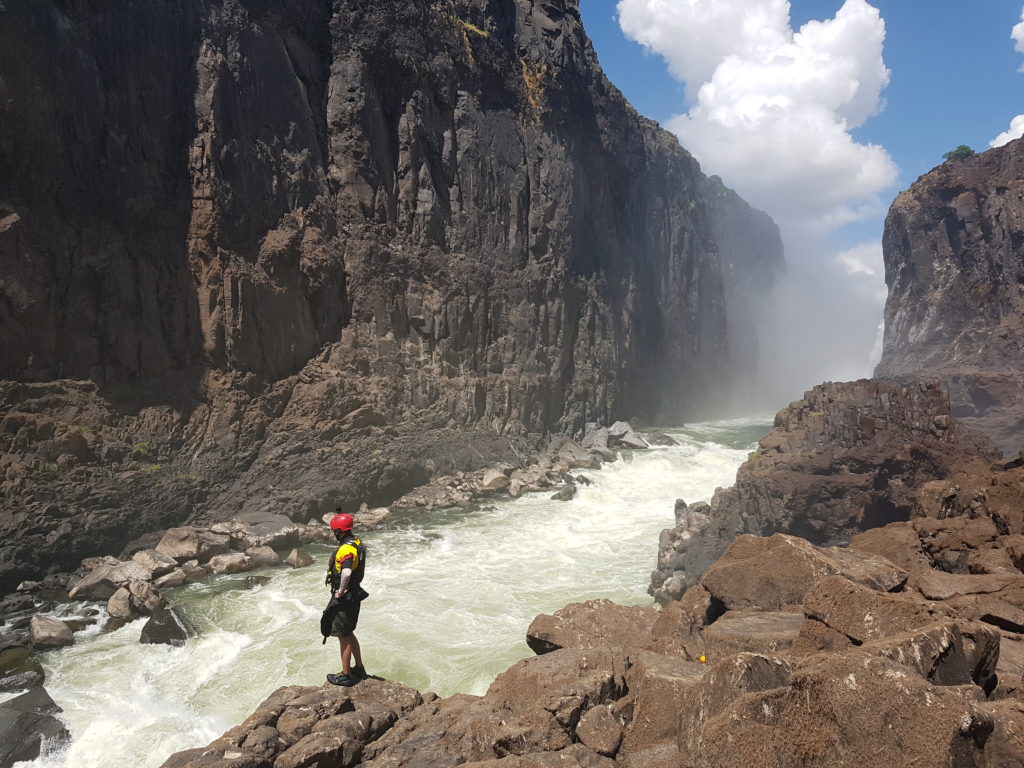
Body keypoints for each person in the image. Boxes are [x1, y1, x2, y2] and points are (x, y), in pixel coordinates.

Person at [324, 512, 368, 686]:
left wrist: (340, 592)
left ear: (340, 531)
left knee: (343, 635)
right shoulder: (356, 542)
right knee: (349, 632)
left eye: (335, 530)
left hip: (346, 597)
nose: (334, 533)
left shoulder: (346, 548)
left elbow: (347, 571)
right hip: (355, 594)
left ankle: (346, 675)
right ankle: (359, 668)